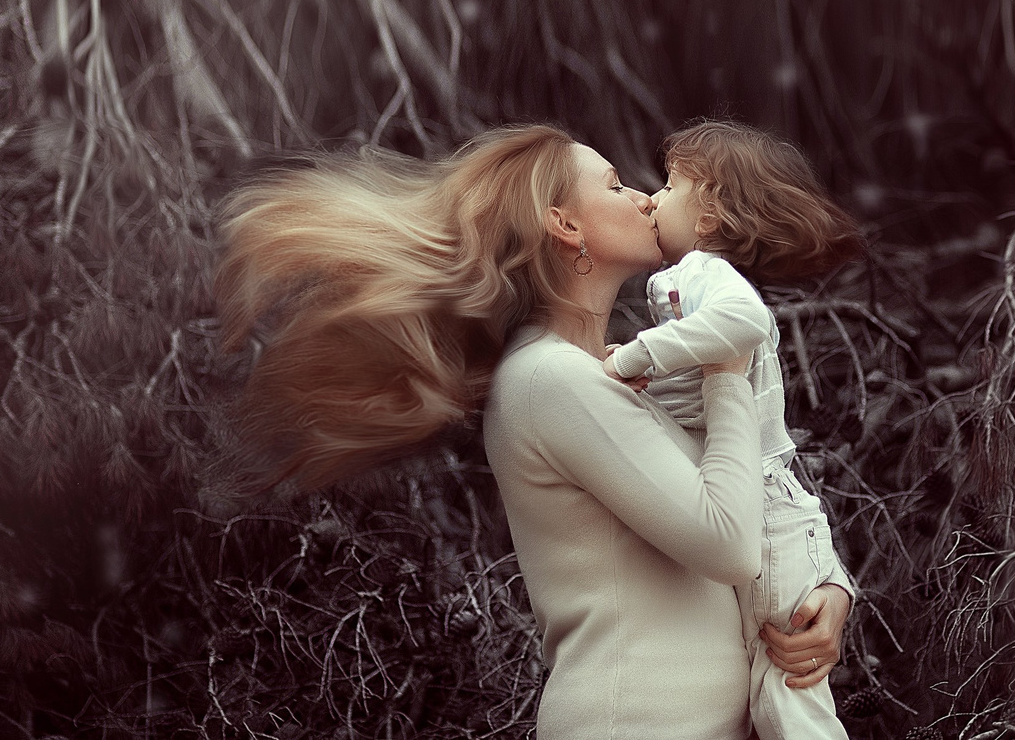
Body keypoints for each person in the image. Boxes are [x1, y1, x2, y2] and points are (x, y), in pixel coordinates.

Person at [215, 123, 850, 740]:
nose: (641, 196)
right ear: (565, 224)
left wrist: (825, 587)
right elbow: (728, 544)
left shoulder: (619, 379)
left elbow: (749, 498)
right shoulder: (550, 380)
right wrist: (728, 370)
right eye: (613, 184)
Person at [603, 121, 867, 740]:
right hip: (775, 514)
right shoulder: (685, 285)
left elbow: (743, 324)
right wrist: (642, 378)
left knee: (786, 704)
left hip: (771, 514)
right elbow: (709, 393)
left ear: (711, 216)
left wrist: (633, 359)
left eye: (669, 186)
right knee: (776, 703)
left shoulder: (700, 273)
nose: (651, 199)